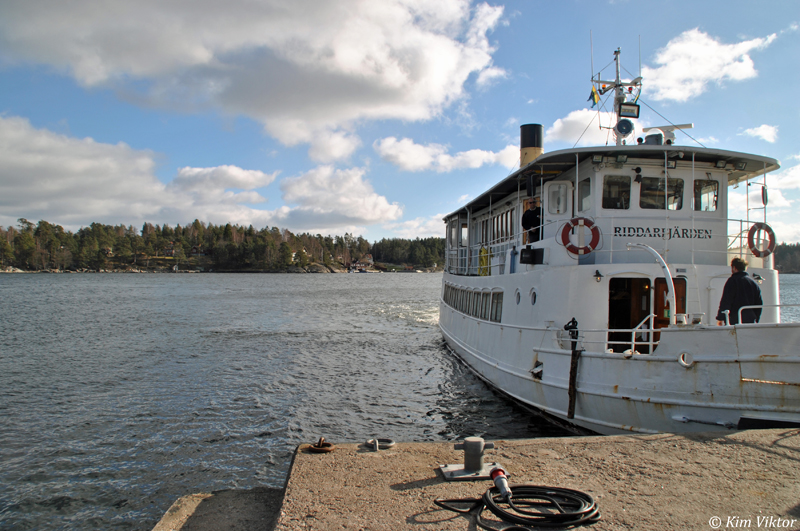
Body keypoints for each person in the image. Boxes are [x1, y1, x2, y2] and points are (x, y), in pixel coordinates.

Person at [716, 257, 762, 325]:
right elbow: (759, 303)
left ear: (734, 268)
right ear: (745, 268)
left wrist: (721, 318)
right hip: (750, 320)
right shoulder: (753, 283)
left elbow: (726, 300)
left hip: (734, 319)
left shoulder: (732, 281)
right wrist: (756, 318)